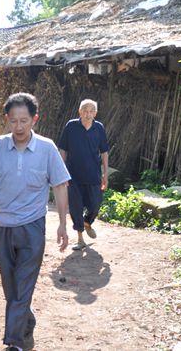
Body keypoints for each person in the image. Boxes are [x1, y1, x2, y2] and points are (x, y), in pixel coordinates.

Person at [0, 92, 70, 351]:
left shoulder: (47, 148)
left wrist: (62, 223)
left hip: (32, 226)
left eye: (24, 120)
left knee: (24, 282)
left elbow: (60, 185)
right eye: (13, 121)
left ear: (34, 119)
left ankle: (14, 342)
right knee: (11, 284)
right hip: (1, 225)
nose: (19, 126)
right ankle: (26, 321)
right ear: (7, 119)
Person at [57, 99, 110, 251]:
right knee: (76, 207)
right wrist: (62, 171)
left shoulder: (99, 128)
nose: (88, 114)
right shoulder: (71, 126)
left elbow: (104, 152)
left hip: (93, 175)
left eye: (91, 111)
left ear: (95, 113)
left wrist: (105, 174)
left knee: (95, 204)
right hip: (73, 176)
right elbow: (63, 149)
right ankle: (80, 239)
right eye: (85, 111)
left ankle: (87, 221)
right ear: (79, 112)